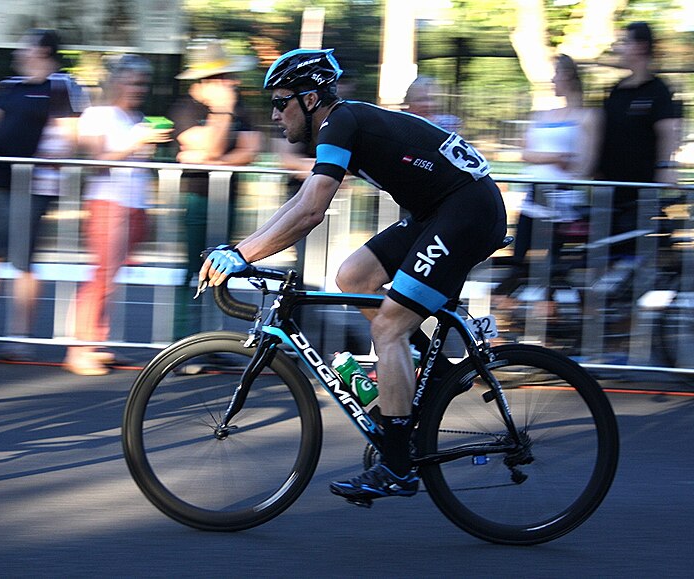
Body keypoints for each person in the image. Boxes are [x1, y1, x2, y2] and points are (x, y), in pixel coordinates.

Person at [199, 49, 507, 502]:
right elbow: (299, 201)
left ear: (308, 99)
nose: (274, 114)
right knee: (354, 275)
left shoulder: (339, 121)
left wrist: (244, 256)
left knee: (388, 325)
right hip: (440, 210)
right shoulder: (340, 123)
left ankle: (399, 467)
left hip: (466, 212)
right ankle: (435, 373)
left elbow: (310, 212)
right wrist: (239, 248)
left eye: (281, 101)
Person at [0, 29, 87, 360]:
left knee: (22, 261)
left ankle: (19, 337)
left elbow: (71, 135)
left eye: (25, 45)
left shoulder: (61, 85)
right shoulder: (9, 86)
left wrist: (59, 157)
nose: (19, 51)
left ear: (43, 50)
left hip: (34, 184)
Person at [63, 55, 166, 376]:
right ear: (116, 82)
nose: (139, 89)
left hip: (133, 204)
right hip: (108, 203)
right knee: (102, 276)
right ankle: (79, 349)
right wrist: (135, 140)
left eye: (143, 84)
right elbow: (96, 162)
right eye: (133, 82)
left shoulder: (134, 116)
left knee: (111, 278)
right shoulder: (97, 115)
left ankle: (96, 341)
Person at [167, 39, 261, 337]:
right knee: (195, 270)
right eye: (225, 77)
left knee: (222, 270)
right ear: (208, 80)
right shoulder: (186, 108)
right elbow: (206, 143)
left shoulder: (239, 107)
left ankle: (212, 342)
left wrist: (213, 160)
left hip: (228, 200)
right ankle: (183, 341)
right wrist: (222, 113)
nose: (232, 83)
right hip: (197, 200)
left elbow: (250, 151)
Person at [496, 54, 598, 297]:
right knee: (520, 259)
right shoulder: (542, 115)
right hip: (535, 195)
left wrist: (556, 160)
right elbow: (526, 153)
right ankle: (510, 306)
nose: (553, 80)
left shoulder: (586, 116)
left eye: (557, 74)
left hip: (560, 198)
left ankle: (551, 311)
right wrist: (555, 157)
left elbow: (583, 164)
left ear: (569, 76)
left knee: (551, 264)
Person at [597, 21, 680, 244]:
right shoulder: (617, 90)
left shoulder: (658, 90)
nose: (618, 47)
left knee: (635, 246)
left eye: (625, 41)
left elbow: (668, 130)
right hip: (609, 187)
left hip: (640, 188)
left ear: (641, 46)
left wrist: (666, 167)